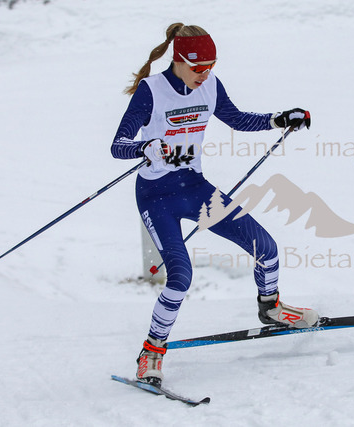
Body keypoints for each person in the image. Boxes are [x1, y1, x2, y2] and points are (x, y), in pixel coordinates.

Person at [111, 23, 318, 387]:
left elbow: (236, 119)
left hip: (194, 187)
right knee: (180, 277)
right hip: (157, 196)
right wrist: (145, 147)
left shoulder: (210, 86)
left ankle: (270, 308)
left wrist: (279, 119)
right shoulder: (151, 90)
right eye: (198, 67)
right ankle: (151, 352)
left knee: (266, 248)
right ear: (178, 60)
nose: (204, 74)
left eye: (211, 66)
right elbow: (118, 145)